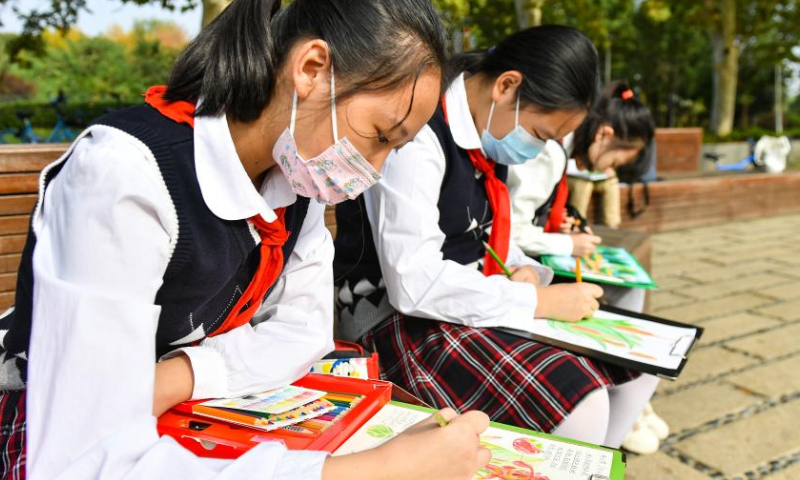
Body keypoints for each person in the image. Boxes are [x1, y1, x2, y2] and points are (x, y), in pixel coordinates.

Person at [0, 1, 493, 479]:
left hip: (175, 411)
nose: (375, 170)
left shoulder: (294, 184)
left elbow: (304, 330)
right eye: (381, 136)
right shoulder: (128, 176)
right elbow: (81, 455)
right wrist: (375, 470)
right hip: (45, 425)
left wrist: (178, 377)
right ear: (312, 68)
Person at [334, 26, 658, 448]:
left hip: (467, 293)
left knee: (640, 366)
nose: (539, 151)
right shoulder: (421, 135)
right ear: (507, 86)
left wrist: (523, 269)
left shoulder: (486, 136)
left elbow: (487, 234)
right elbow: (413, 283)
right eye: (540, 135)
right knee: (583, 405)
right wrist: (537, 301)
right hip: (390, 316)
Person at [566, 82, 657, 228]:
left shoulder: (565, 144)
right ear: (604, 134)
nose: (608, 170)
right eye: (613, 163)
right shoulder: (552, 152)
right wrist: (568, 243)